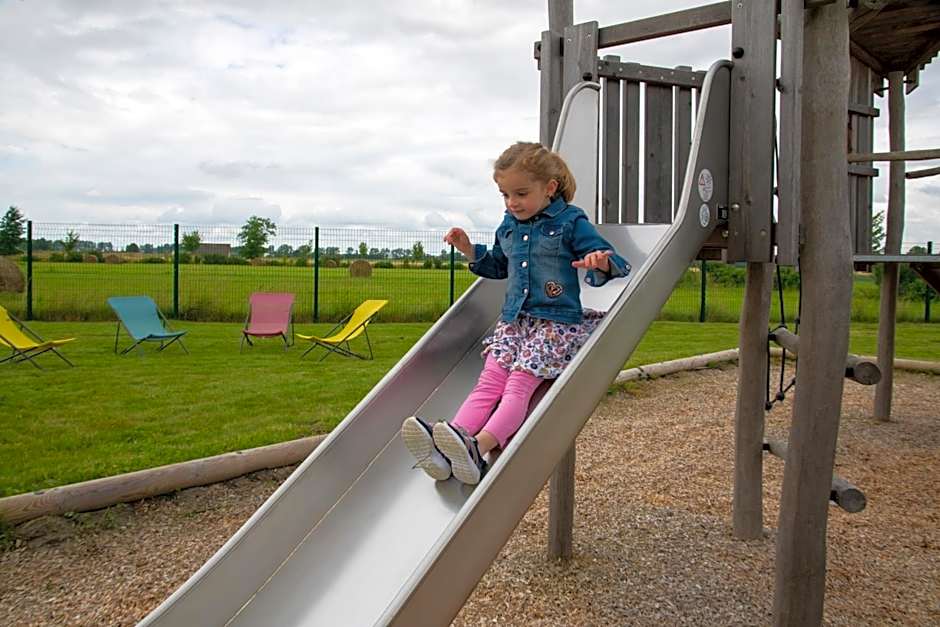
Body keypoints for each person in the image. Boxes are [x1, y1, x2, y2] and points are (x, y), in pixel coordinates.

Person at [402, 141, 631, 485]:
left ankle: (478, 449)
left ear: (549, 188)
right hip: (514, 321)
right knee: (488, 383)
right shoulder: (509, 224)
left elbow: (608, 258)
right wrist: (469, 250)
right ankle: (453, 446)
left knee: (517, 387)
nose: (512, 203)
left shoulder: (570, 220)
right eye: (505, 195)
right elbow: (498, 265)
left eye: (521, 193)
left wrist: (601, 261)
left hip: (553, 323)